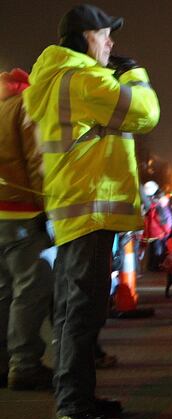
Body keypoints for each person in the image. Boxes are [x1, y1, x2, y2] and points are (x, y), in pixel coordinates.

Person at [23, 4, 160, 419]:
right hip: (89, 210)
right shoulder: (82, 80)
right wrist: (134, 75)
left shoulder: (57, 79)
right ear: (85, 38)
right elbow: (145, 113)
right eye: (106, 35)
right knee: (81, 314)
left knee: (73, 313)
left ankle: (78, 398)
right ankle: (73, 407)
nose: (112, 43)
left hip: (76, 209)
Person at [0, 68, 55, 391]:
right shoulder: (25, 107)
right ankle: (24, 364)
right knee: (29, 289)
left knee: (3, 290)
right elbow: (38, 160)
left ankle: (3, 360)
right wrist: (49, 206)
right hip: (22, 211)